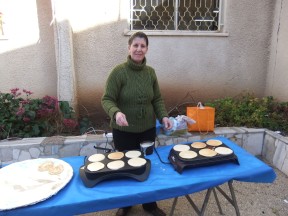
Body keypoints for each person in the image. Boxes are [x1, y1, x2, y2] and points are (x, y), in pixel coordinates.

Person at [101, 31, 173, 216]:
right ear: (129, 48)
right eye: (135, 45)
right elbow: (107, 99)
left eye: (142, 46)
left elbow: (157, 99)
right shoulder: (118, 72)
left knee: (147, 164)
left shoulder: (151, 73)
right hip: (123, 130)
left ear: (147, 49)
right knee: (126, 165)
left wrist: (163, 116)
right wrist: (115, 113)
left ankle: (149, 205)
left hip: (147, 130)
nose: (139, 49)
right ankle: (126, 203)